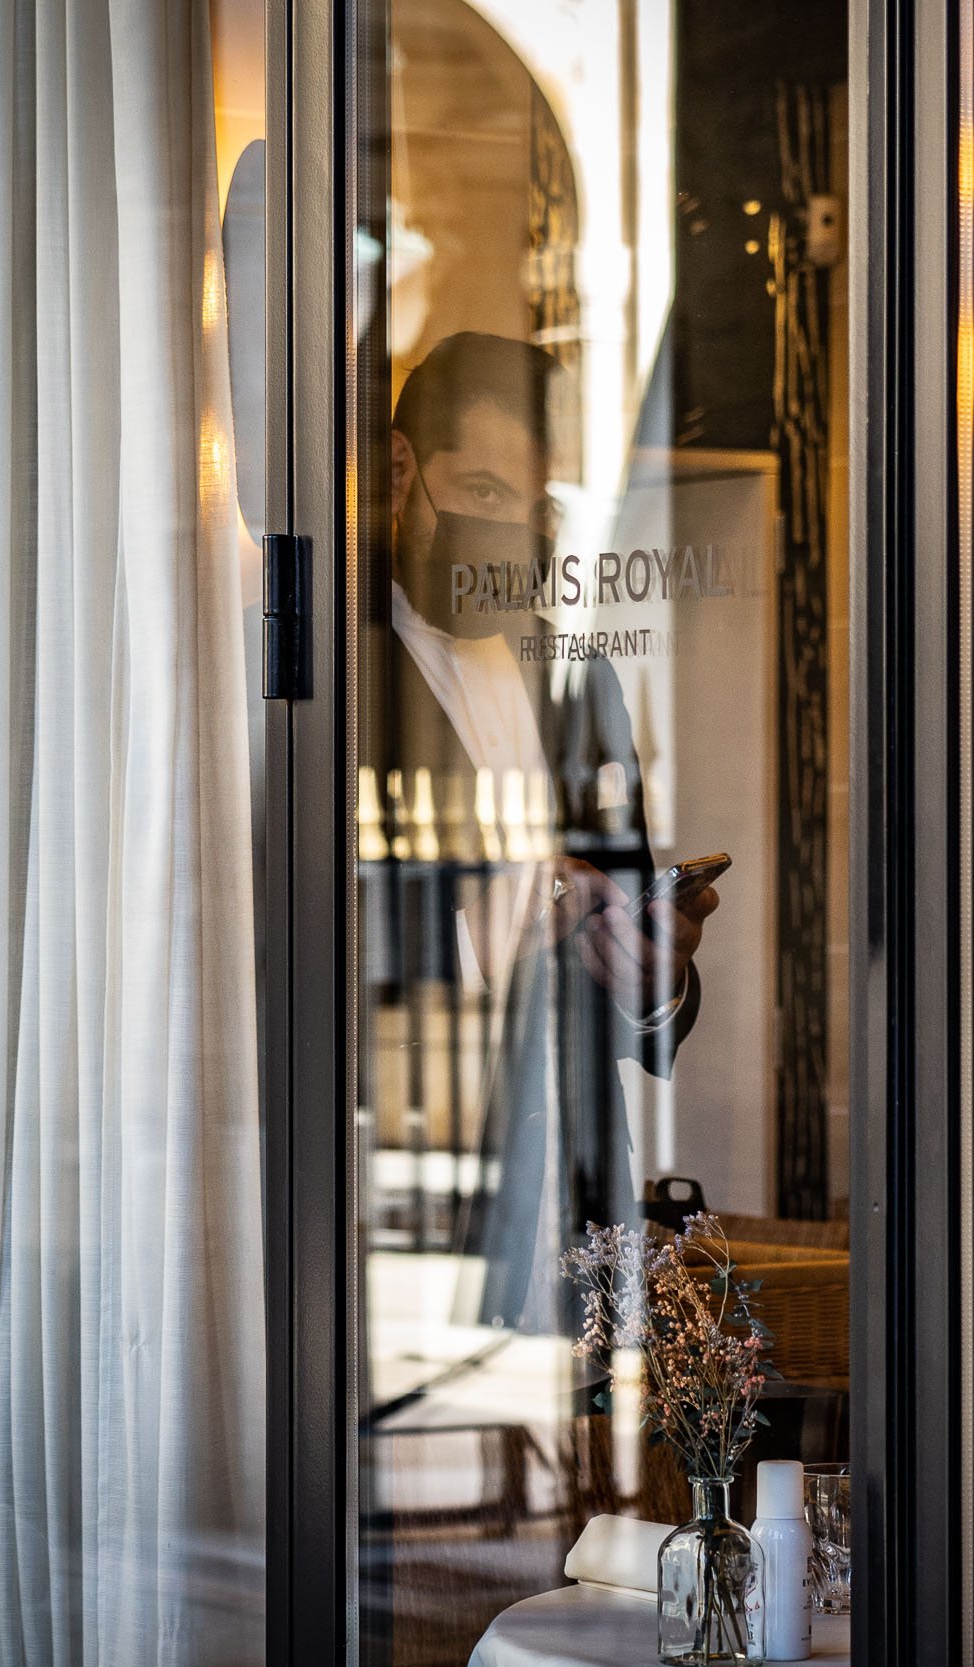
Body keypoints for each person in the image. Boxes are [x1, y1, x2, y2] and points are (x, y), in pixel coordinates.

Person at [377, 331, 718, 1331]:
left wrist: (656, 975)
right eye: (479, 491)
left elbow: (639, 999)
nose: (507, 528)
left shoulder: (580, 681)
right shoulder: (340, 686)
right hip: (417, 1214)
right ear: (399, 470)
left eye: (531, 506)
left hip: (574, 1211)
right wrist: (494, 918)